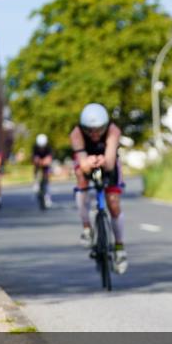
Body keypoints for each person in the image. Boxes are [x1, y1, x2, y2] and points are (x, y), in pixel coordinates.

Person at [70, 103, 127, 274]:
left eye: (98, 130)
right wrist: (88, 164)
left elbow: (110, 162)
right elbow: (82, 161)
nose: (94, 134)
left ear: (105, 126)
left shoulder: (113, 131)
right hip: (87, 164)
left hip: (108, 164)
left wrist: (103, 161)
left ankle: (119, 248)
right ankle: (87, 228)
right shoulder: (76, 133)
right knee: (81, 177)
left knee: (114, 205)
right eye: (90, 130)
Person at [31, 133, 53, 207]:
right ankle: (36, 182)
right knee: (36, 168)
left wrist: (46, 161)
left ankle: (47, 198)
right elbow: (34, 158)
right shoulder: (35, 147)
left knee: (47, 177)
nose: (42, 148)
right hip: (38, 162)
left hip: (46, 164)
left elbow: (49, 158)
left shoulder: (48, 147)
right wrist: (38, 161)